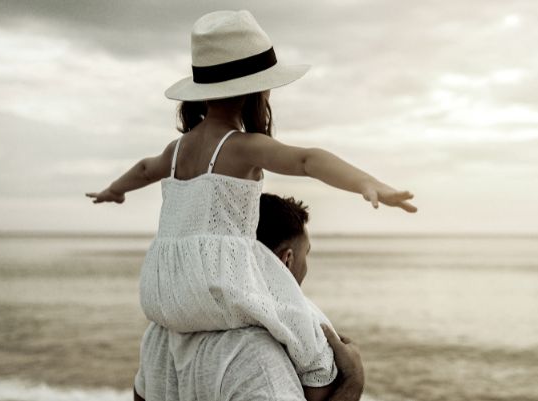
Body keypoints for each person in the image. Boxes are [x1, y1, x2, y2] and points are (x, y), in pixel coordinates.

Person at [85, 8, 415, 398]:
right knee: (302, 318)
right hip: (220, 283)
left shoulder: (178, 148)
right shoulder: (240, 146)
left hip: (171, 290)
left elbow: (144, 169)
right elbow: (307, 160)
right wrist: (367, 183)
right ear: (257, 90)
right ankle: (321, 381)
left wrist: (115, 190)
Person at [132, 194, 364, 401]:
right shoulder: (256, 355)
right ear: (287, 260)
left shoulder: (160, 334)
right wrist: (353, 382)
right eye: (307, 254)